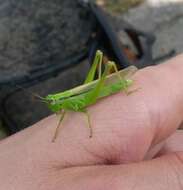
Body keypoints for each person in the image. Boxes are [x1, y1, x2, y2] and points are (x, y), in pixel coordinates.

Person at [0, 55, 183, 190]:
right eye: (51, 102)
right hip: (86, 95)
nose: (52, 105)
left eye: (52, 102)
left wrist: (85, 127)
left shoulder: (65, 103)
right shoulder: (61, 104)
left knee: (104, 64)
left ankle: (125, 89)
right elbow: (63, 113)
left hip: (93, 94)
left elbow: (84, 113)